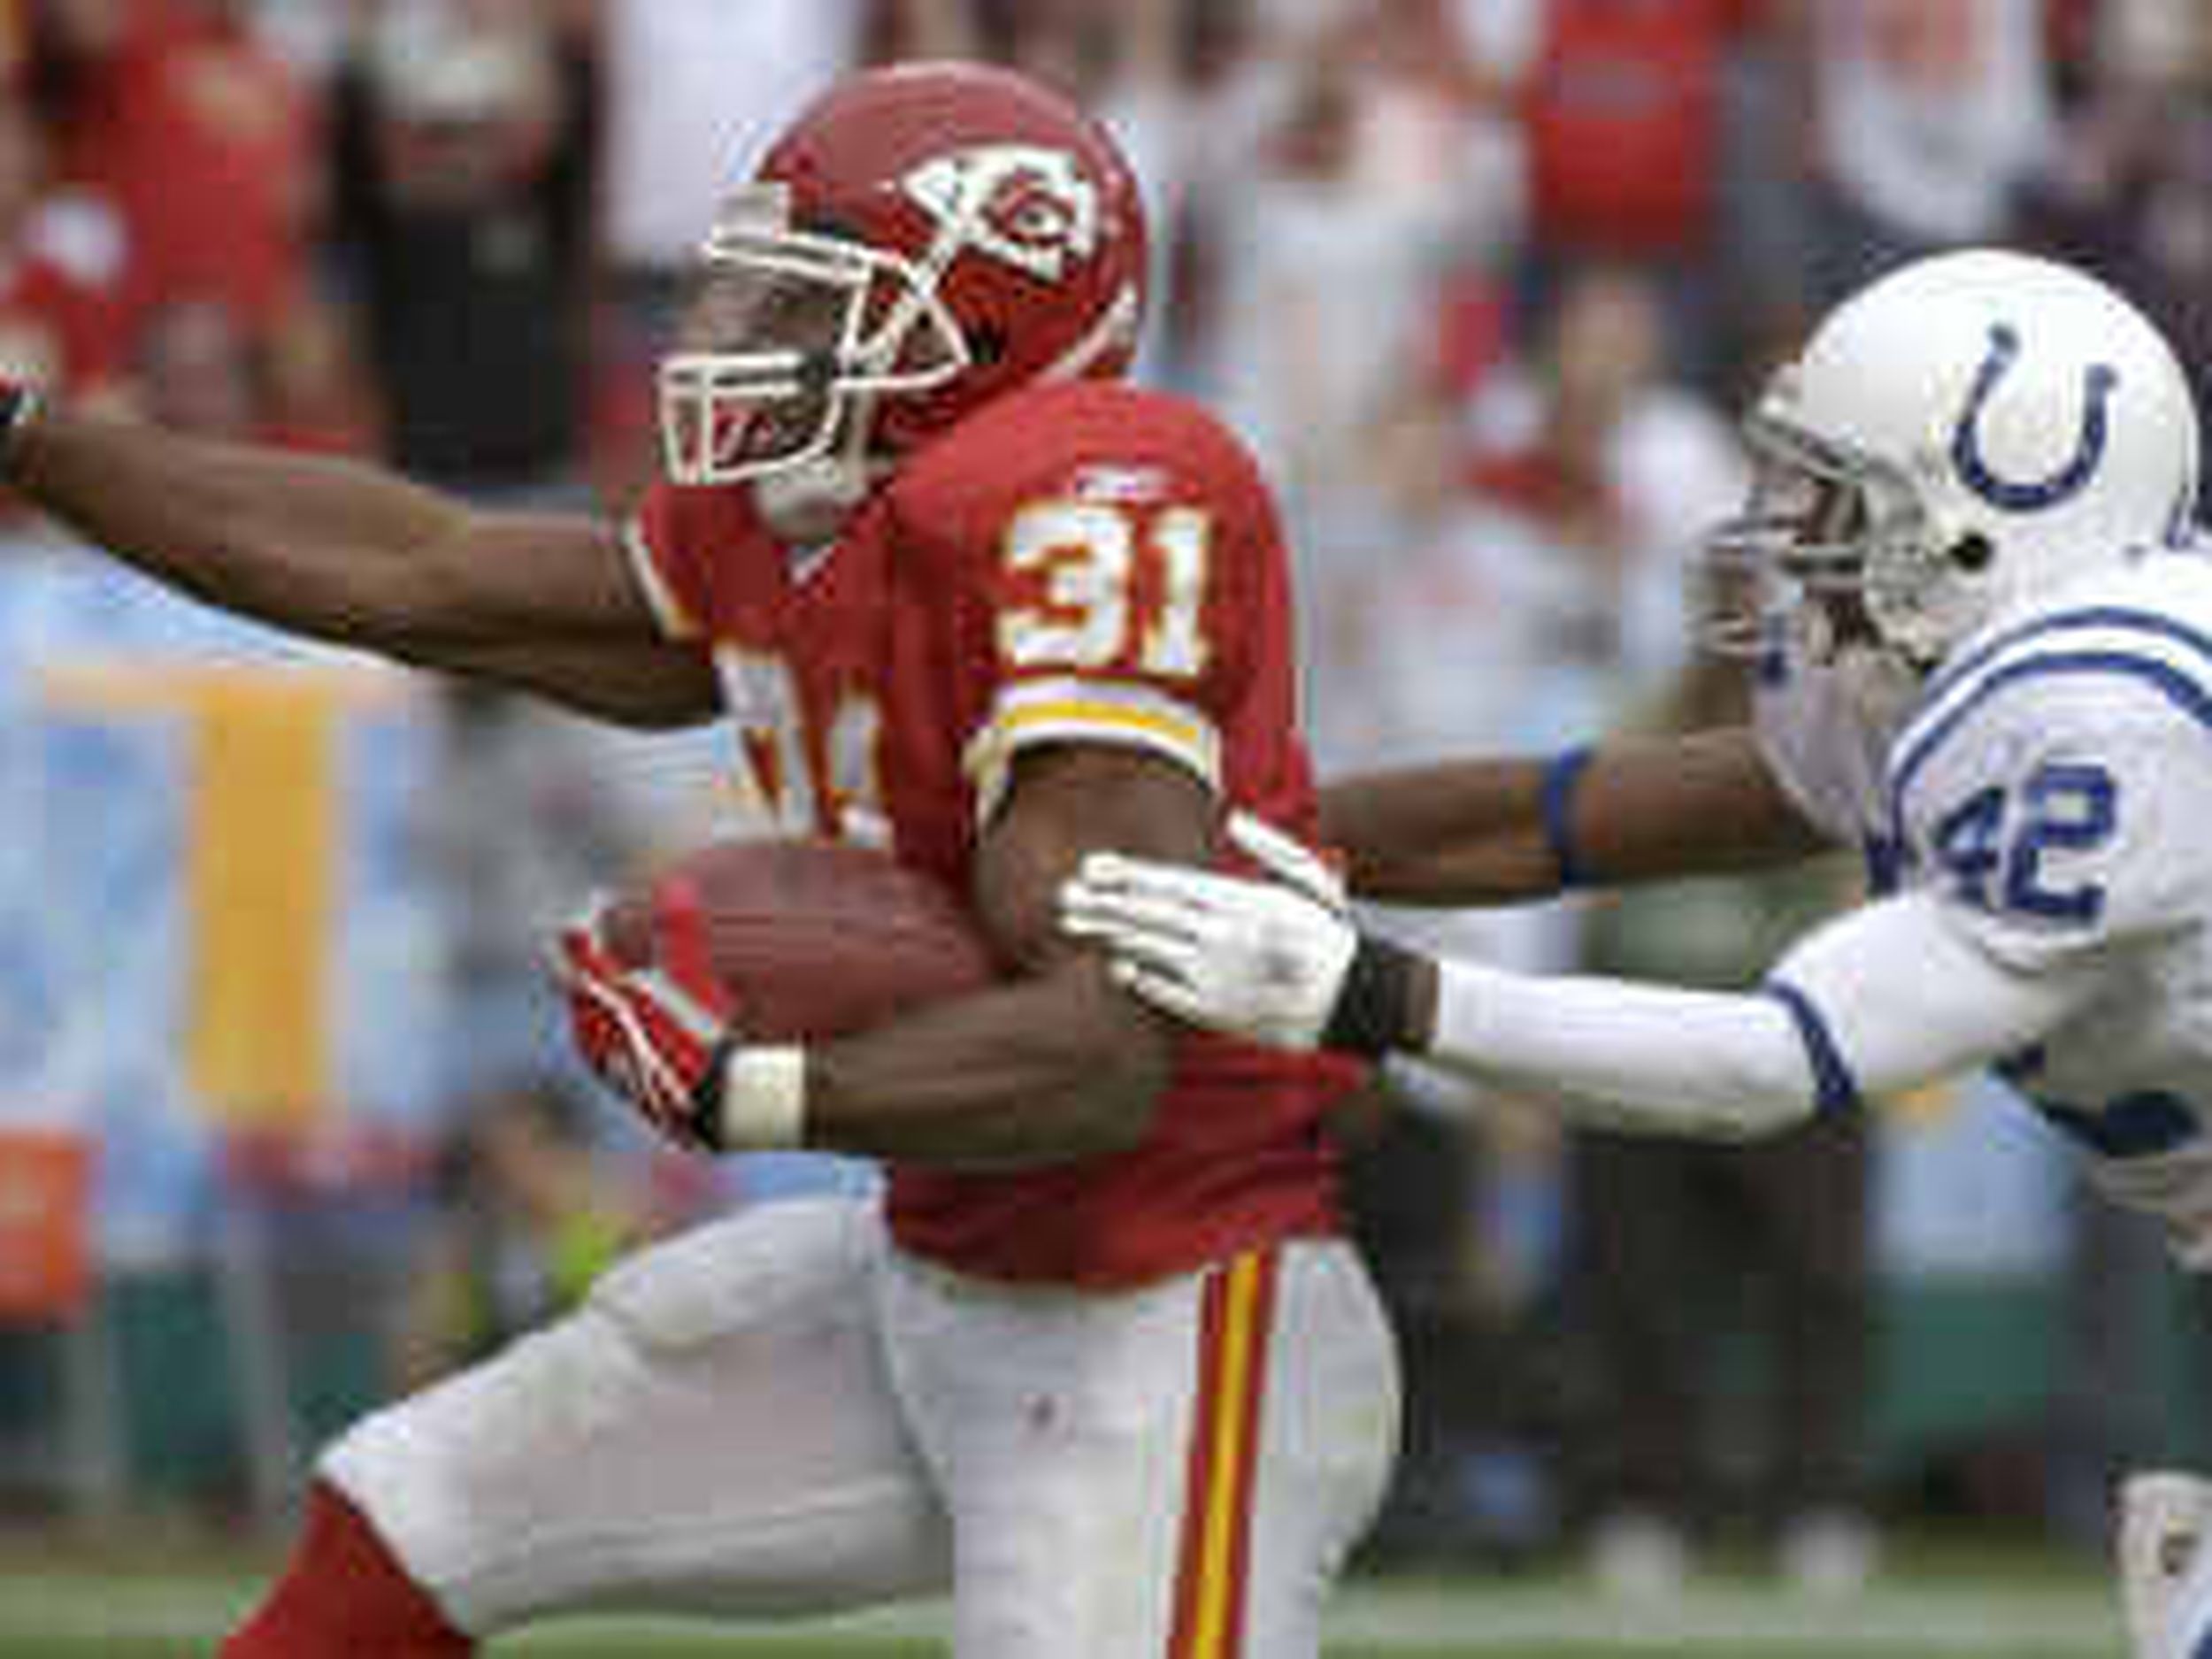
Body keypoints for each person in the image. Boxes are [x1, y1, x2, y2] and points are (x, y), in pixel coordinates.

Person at [0, 59, 1397, 1659]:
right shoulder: (807, 526)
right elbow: (418, 571)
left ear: (988, 327)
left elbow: (1103, 1058)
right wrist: (29, 439)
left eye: (818, 308)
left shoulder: (1086, 509)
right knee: (425, 1506)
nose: (750, 345)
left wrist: (761, 1092)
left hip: (1171, 1323)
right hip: (947, 1276)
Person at [1059, 245, 2212, 1657]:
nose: (1787, 530)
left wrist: (1356, 987)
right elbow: (1576, 817)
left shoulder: (2101, 720)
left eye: (1837, 494)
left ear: (1993, 515)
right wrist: (1242, 834)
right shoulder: (1960, 680)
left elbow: (1766, 1061)